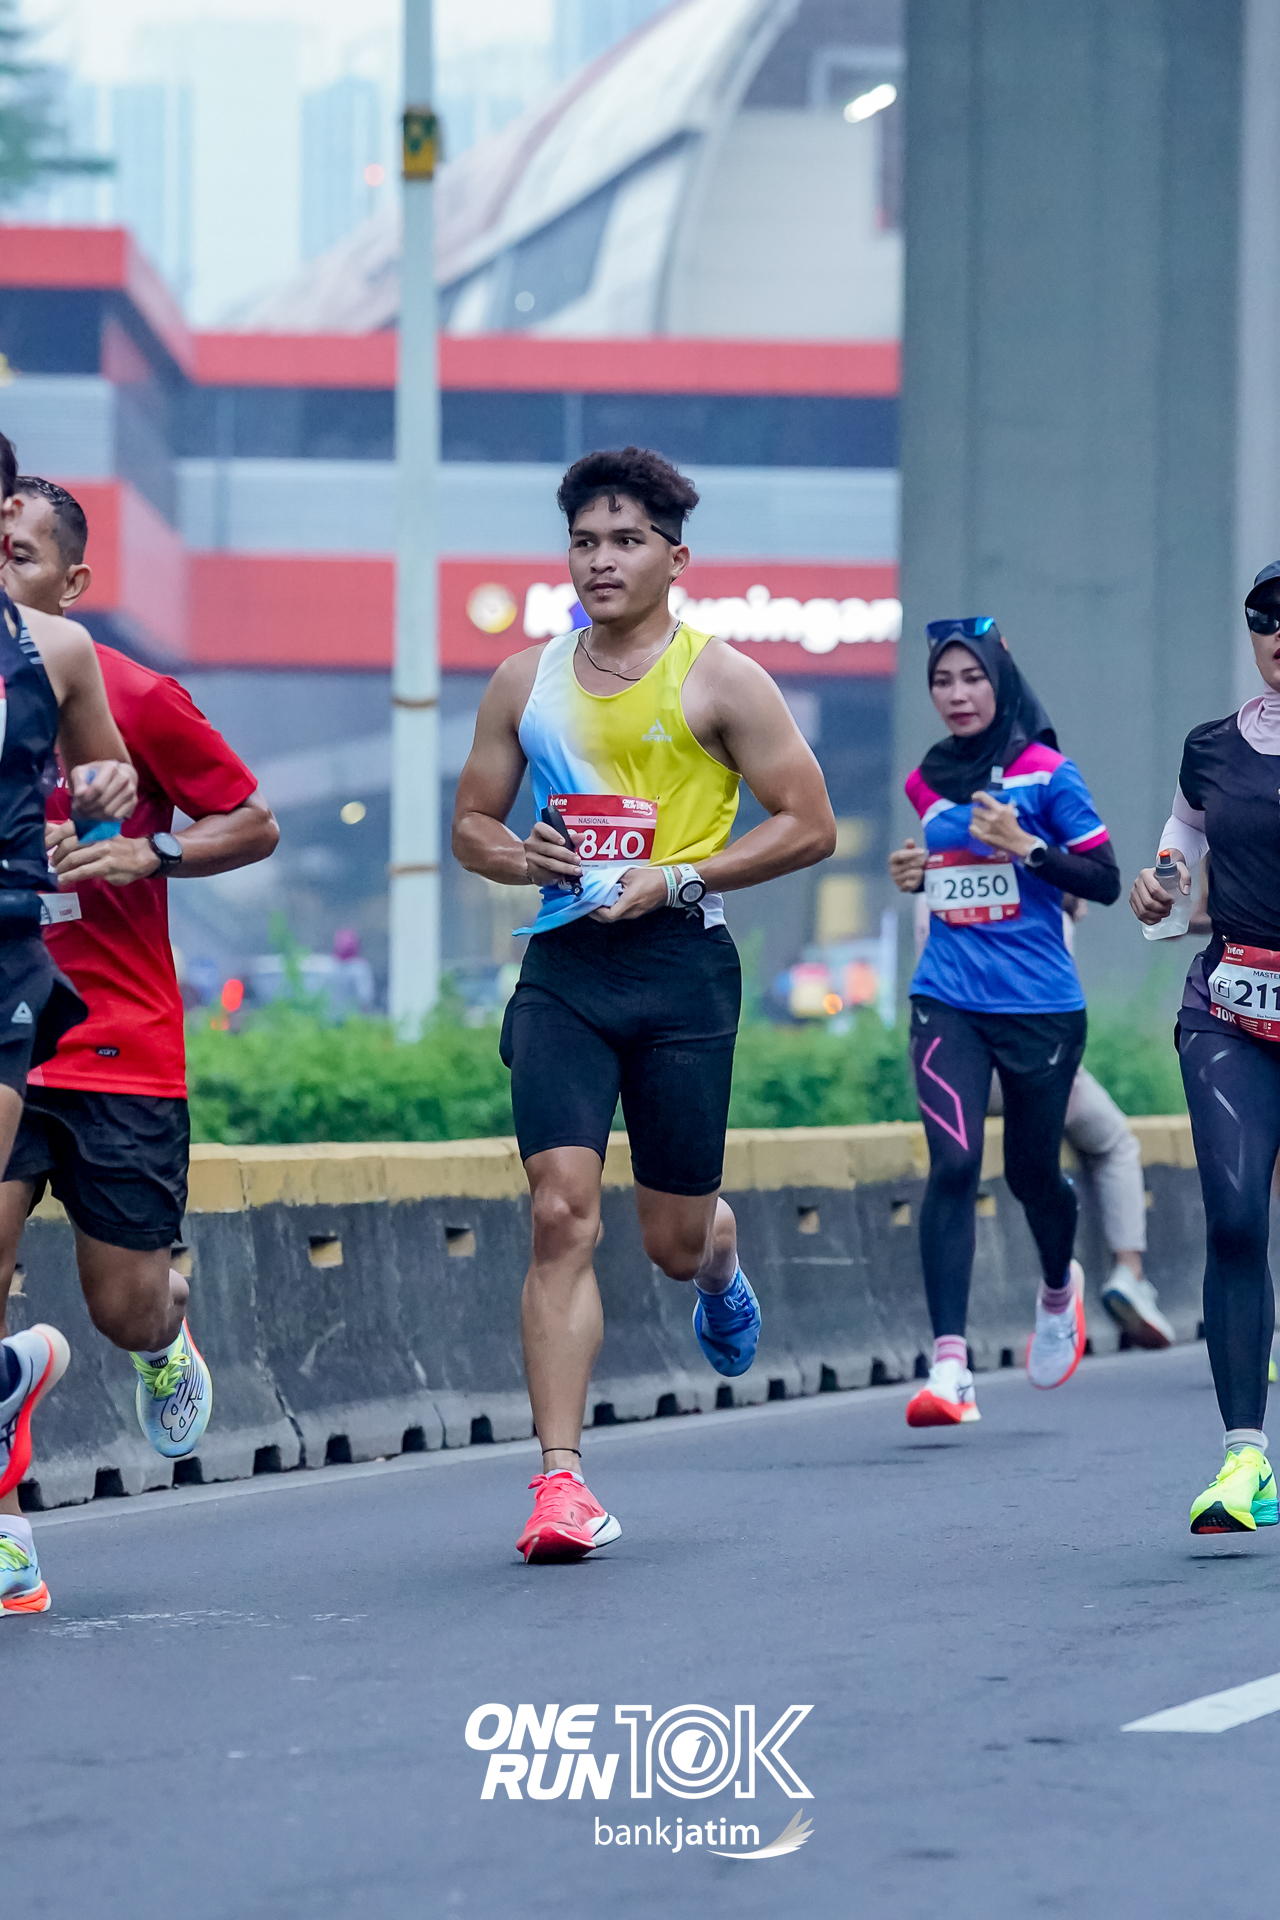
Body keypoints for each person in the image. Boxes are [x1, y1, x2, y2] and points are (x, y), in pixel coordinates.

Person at [452, 446, 835, 1562]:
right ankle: (560, 1482)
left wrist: (680, 877)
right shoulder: (524, 681)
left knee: (670, 1242)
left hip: (680, 969)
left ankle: (717, 1255)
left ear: (676, 557)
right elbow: (471, 825)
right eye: (584, 542)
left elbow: (808, 823)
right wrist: (521, 857)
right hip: (564, 968)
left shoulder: (723, 680)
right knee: (559, 1210)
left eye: (626, 541)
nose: (601, 561)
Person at [0, 473, 278, 1604]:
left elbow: (251, 820)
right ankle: (7, 1529)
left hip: (117, 1041)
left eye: (20, 555)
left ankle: (165, 1334)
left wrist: (148, 852)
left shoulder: (127, 692)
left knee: (122, 1304)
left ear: (72, 584)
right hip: (7, 1035)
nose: (1, 570)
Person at [889, 617, 1120, 1428]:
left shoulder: (1048, 775)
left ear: (1001, 682)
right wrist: (917, 872)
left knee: (1031, 1175)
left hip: (1041, 1008)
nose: (956, 695)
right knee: (953, 1164)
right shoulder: (927, 782)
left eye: (972, 678)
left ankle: (1058, 1287)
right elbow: (949, 871)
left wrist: (1026, 844)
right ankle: (950, 1366)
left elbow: (1104, 880)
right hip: (947, 997)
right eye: (942, 681)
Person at [0, 436, 138, 1612]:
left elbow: (108, 785)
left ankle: (4, 1533)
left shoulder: (54, 649)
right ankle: (10, 1376)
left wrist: (100, 803)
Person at [1130, 561, 1280, 1532]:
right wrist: (1158, 888)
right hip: (1230, 1008)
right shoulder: (1211, 748)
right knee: (1233, 1219)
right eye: (1265, 618)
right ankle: (1242, 1460)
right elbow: (1177, 847)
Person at [914, 886, 1171, 1346]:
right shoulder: (1039, 903)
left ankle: (958, 1343)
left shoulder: (937, 888)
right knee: (1115, 1141)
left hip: (956, 1064)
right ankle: (1129, 1270)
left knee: (973, 1165)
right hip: (1028, 1057)